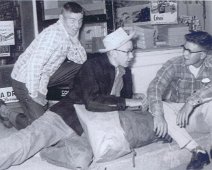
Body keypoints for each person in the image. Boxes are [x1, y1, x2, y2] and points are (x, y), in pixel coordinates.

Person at [0, 27, 150, 169]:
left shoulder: (126, 73)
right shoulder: (92, 66)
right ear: (113, 52)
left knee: (81, 160)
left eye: (132, 51)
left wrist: (136, 101)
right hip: (66, 116)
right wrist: (127, 102)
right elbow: (92, 102)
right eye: (128, 51)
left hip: (89, 128)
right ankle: (8, 113)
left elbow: (121, 104)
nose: (132, 56)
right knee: (28, 140)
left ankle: (44, 151)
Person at [1, 2, 87, 130]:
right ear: (61, 18)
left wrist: (75, 40)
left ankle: (70, 101)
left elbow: (81, 60)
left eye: (80, 21)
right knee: (43, 130)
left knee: (82, 66)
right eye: (72, 20)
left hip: (44, 75)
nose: (77, 25)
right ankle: (6, 112)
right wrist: (35, 93)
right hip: (24, 80)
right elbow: (33, 65)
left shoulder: (68, 34)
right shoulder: (53, 35)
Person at [147, 31, 212, 170]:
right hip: (179, 120)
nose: (184, 54)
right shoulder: (174, 64)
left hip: (201, 116)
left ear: (203, 54)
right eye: (184, 48)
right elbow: (155, 87)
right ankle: (197, 151)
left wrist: (191, 101)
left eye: (189, 51)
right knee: (160, 106)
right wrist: (158, 115)